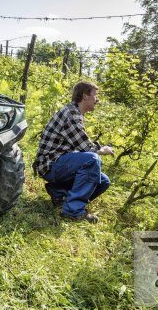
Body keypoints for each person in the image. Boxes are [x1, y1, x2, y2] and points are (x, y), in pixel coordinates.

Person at [33, 81, 114, 223]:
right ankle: (72, 211)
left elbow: (81, 144)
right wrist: (103, 150)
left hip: (60, 163)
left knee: (104, 181)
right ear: (85, 96)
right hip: (50, 165)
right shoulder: (71, 114)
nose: (97, 99)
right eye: (95, 95)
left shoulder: (75, 113)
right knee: (93, 159)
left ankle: (60, 194)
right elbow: (86, 147)